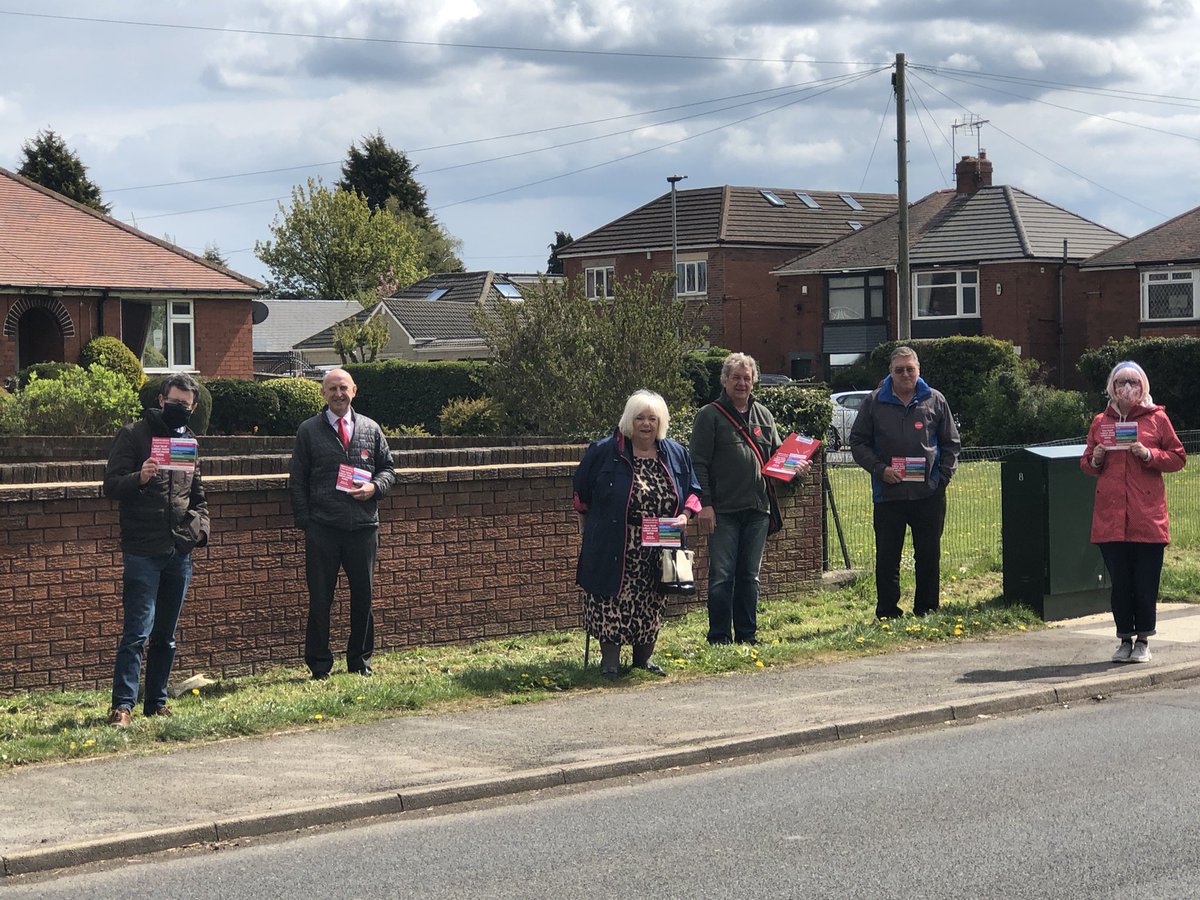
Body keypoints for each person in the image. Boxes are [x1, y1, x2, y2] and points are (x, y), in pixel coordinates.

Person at [103, 373, 209, 727]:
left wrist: (200, 530)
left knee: (166, 635)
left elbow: (197, 495)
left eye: (186, 405)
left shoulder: (188, 441)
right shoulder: (134, 435)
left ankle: (156, 702)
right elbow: (110, 485)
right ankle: (123, 706)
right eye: (174, 402)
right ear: (162, 400)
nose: (179, 408)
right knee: (137, 632)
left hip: (178, 551)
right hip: (142, 550)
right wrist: (141, 477)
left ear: (193, 407)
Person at [573, 390, 702, 678]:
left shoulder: (676, 453)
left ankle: (643, 660)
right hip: (615, 541)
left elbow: (694, 491)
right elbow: (581, 493)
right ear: (628, 421)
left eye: (652, 419)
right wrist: (587, 527)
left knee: (651, 600)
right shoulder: (604, 451)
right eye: (640, 418)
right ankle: (609, 662)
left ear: (661, 422)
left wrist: (685, 515)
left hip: (661, 543)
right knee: (611, 599)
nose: (646, 424)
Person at [290, 368, 395, 679]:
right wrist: (306, 522)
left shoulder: (371, 429)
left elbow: (388, 469)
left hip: (363, 527)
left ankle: (359, 661)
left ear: (354, 391)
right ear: (323, 393)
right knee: (320, 599)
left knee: (364, 597)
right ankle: (319, 665)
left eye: (343, 388)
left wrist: (374, 487)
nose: (338, 394)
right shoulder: (308, 430)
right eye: (332, 389)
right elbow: (298, 479)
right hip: (322, 528)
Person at [690, 352, 799, 645]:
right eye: (736, 378)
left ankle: (747, 636)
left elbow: (777, 457)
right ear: (724, 381)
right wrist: (705, 504)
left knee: (750, 576)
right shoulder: (709, 416)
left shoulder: (764, 415)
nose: (741, 383)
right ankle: (719, 637)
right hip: (722, 510)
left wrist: (795, 467)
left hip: (758, 509)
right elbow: (698, 463)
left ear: (753, 382)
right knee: (722, 576)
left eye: (747, 378)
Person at [1082, 361, 1185, 664]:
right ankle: (1124, 638)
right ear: (1111, 387)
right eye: (1121, 382)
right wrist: (1096, 458)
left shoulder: (1157, 419)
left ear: (1143, 386)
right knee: (1121, 584)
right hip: (1110, 518)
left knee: (1144, 583)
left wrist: (1149, 454)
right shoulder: (1101, 421)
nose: (1127, 388)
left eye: (1134, 382)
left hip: (1147, 518)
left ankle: (1143, 640)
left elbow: (1178, 457)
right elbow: (1086, 463)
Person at [849, 346, 960, 620]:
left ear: (918, 370)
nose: (905, 374)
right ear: (890, 372)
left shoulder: (935, 399)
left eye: (910, 369)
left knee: (928, 555)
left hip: (928, 494)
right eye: (899, 370)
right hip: (889, 493)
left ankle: (927, 609)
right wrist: (880, 470)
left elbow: (951, 443)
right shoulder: (874, 402)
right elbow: (858, 442)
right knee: (888, 558)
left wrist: (942, 479)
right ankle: (888, 613)